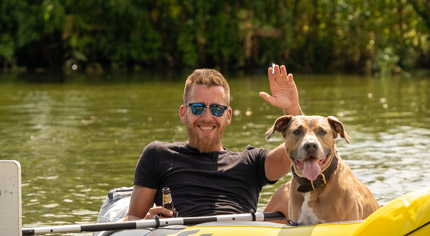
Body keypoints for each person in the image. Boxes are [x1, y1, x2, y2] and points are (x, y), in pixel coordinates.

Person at [125, 64, 302, 221]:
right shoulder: (158, 155)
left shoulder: (251, 162)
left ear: (228, 116)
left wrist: (292, 109)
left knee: (289, 191)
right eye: (198, 108)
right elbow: (131, 218)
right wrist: (146, 221)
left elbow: (302, 148)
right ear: (183, 113)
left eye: (217, 109)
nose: (207, 117)